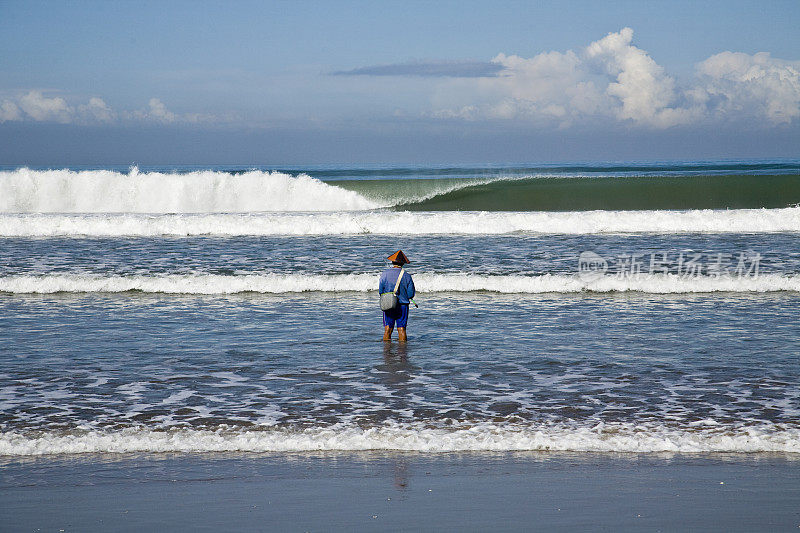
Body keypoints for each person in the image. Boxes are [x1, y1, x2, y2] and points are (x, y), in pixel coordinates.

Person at [379, 250, 415, 342]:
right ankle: (403, 352)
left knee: (388, 329)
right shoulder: (407, 276)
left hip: (389, 304)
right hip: (403, 305)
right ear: (403, 263)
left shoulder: (384, 274)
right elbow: (411, 294)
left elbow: (380, 291)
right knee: (401, 329)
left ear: (392, 262)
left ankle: (387, 353)